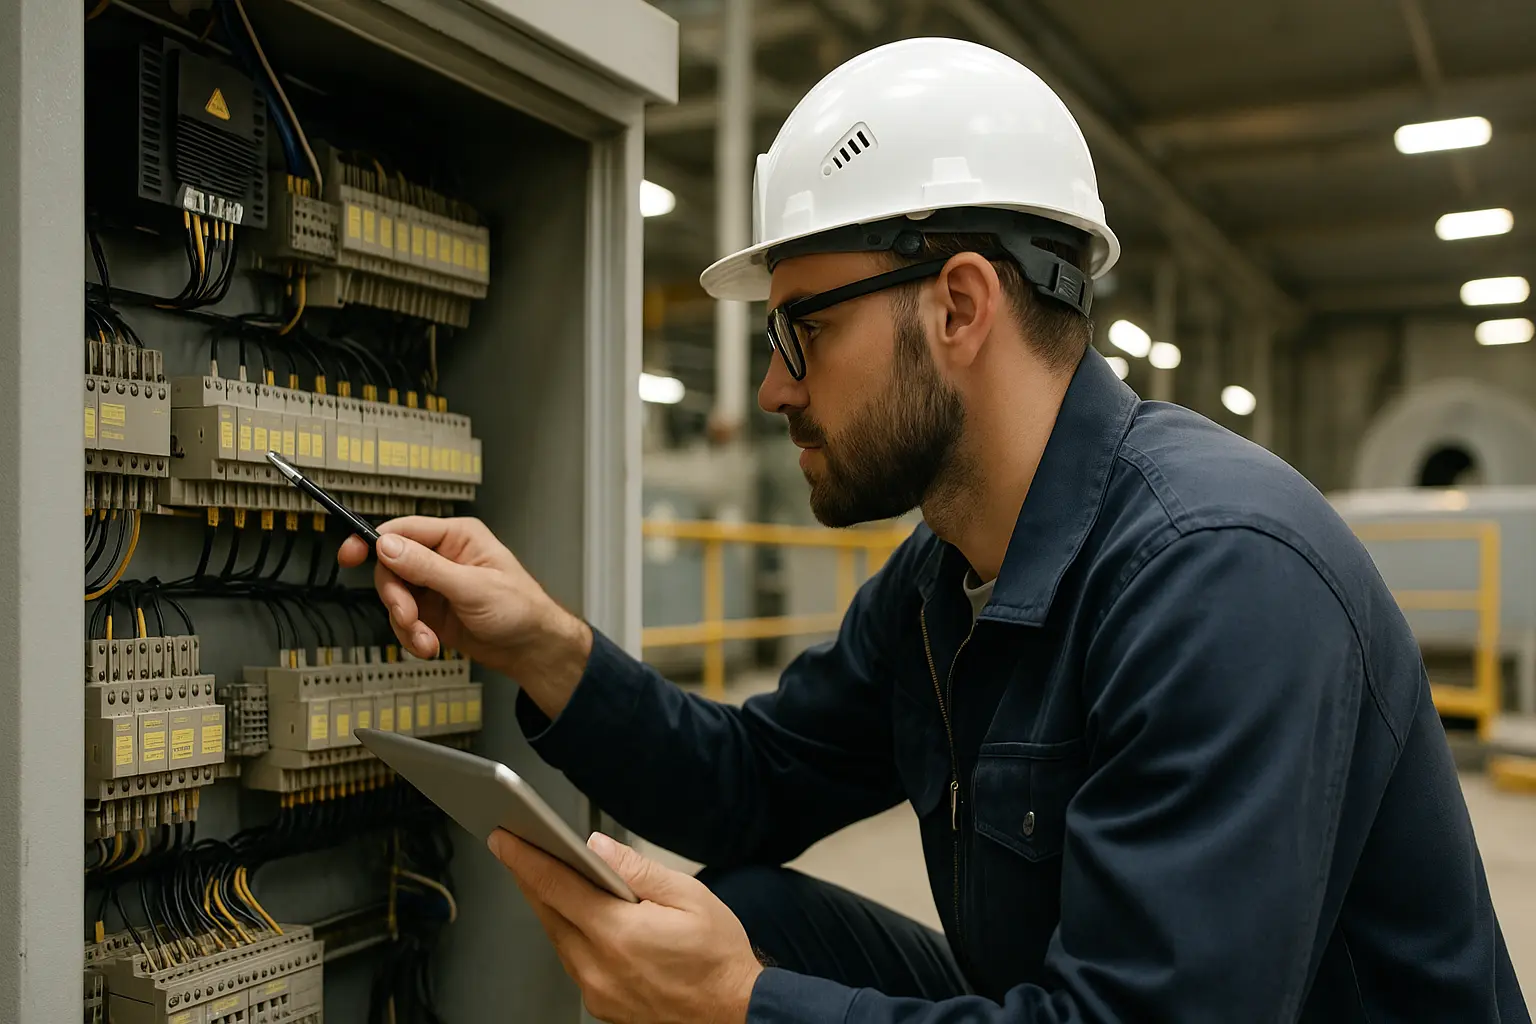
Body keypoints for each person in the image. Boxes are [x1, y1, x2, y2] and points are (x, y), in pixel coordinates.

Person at [339, 37, 1526, 1024]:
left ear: (960, 304)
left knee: (748, 970)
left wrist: (746, 1004)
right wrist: (543, 643)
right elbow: (753, 782)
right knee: (761, 906)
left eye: (802, 328)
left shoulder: (1219, 577)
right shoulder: (945, 581)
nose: (771, 389)